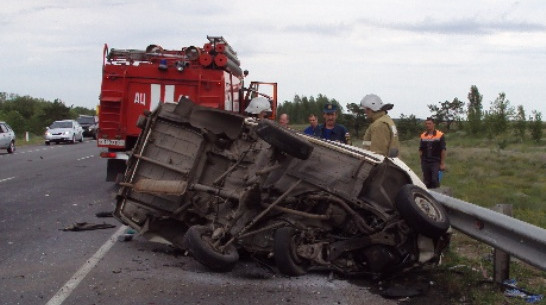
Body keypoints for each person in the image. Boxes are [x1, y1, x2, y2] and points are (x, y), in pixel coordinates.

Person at [419, 117, 446, 189]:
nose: (428, 125)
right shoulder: (423, 135)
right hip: (425, 161)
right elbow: (421, 149)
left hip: (435, 161)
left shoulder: (440, 135)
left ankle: (437, 195)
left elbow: (443, 149)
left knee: (434, 180)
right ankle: (427, 196)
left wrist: (442, 163)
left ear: (434, 124)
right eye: (426, 124)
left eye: (429, 124)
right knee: (426, 181)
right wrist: (421, 160)